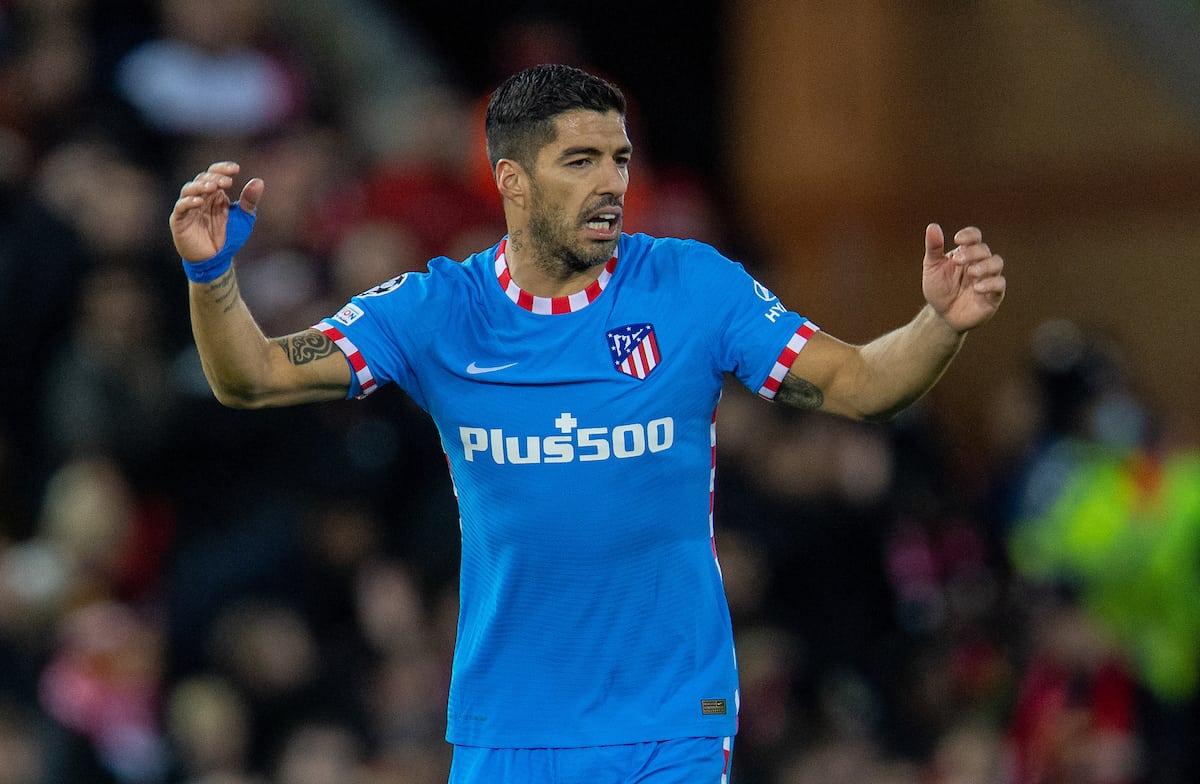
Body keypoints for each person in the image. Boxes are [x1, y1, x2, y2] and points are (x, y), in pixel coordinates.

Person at [168, 64, 1006, 783]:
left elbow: (859, 384)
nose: (611, 182)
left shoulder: (691, 288)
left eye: (619, 159)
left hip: (669, 717)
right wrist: (212, 277)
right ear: (512, 180)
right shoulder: (437, 310)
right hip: (511, 726)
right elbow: (256, 377)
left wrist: (939, 324)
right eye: (581, 161)